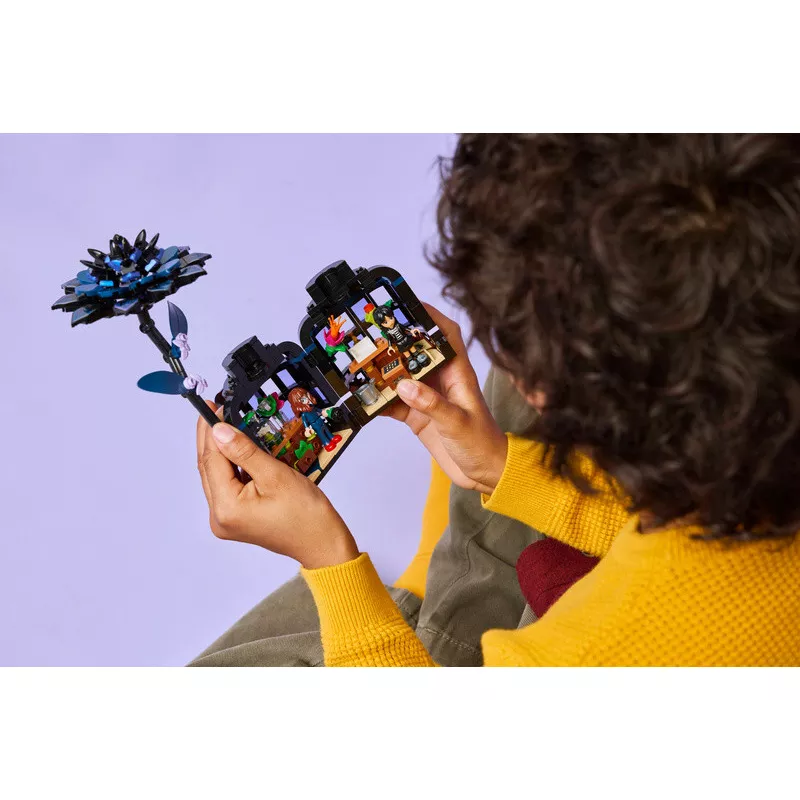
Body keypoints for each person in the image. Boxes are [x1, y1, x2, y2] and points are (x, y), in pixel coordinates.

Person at [193, 134, 800, 666]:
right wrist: (500, 467)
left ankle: (427, 598)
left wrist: (329, 562)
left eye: (510, 352)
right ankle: (437, 587)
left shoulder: (590, 654)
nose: (504, 367)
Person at [373, 306, 430, 373]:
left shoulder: (398, 325)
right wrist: (390, 346)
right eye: (385, 322)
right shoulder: (388, 332)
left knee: (412, 348)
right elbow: (389, 339)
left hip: (406, 339)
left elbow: (405, 328)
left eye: (391, 318)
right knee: (406, 352)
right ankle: (411, 361)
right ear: (381, 324)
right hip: (400, 344)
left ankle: (417, 356)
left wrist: (411, 330)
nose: (390, 322)